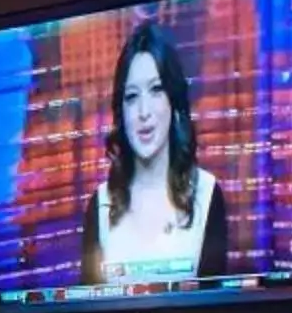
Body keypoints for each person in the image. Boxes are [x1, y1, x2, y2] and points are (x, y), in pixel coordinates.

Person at [79, 20, 231, 288]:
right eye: (132, 96)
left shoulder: (207, 195)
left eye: (156, 90)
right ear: (121, 112)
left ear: (173, 102)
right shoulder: (100, 204)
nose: (143, 112)